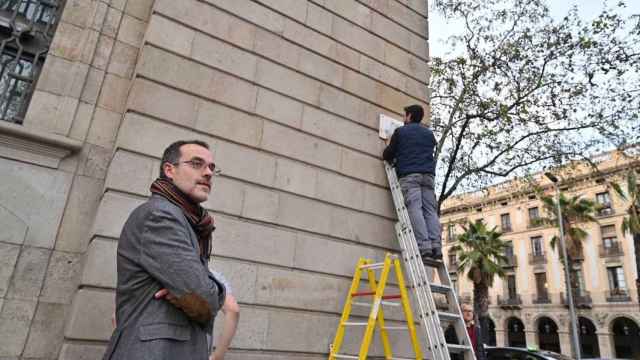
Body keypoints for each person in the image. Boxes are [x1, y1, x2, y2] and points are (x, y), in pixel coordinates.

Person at [103, 140, 236, 360]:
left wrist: (195, 292)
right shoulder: (160, 216)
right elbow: (207, 298)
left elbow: (201, 297)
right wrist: (210, 291)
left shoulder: (189, 222)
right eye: (197, 163)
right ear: (169, 170)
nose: (208, 173)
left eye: (212, 167)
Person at [382, 104, 441, 261]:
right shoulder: (429, 134)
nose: (403, 118)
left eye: (405, 115)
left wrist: (389, 145)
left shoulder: (401, 132)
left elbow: (387, 155)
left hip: (410, 176)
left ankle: (424, 245)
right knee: (430, 211)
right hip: (428, 177)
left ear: (409, 116)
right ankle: (436, 245)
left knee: (415, 208)